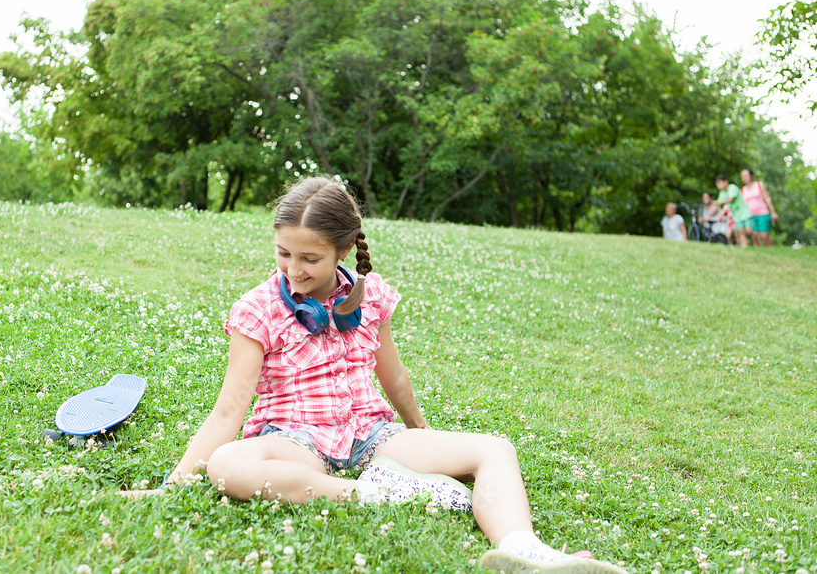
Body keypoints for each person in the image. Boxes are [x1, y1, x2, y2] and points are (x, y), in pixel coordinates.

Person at [121, 176, 627, 574]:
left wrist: (423, 436)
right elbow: (229, 411)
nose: (293, 269)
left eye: (310, 258)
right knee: (230, 466)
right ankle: (377, 492)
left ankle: (523, 548)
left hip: (370, 434)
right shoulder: (258, 309)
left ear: (343, 251)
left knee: (494, 449)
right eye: (283, 254)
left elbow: (395, 377)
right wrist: (174, 485)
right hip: (294, 440)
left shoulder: (373, 297)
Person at [740, 169, 779, 247]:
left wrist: (773, 212)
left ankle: (772, 249)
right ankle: (759, 254)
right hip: (750, 215)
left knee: (764, 235)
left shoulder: (759, 185)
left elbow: (767, 198)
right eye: (742, 177)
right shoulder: (742, 190)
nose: (744, 178)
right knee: (755, 236)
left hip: (763, 213)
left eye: (746, 176)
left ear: (751, 176)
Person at [714, 174, 752, 247]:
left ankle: (757, 244)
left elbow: (731, 199)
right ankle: (745, 248)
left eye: (719, 183)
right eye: (717, 184)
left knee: (749, 231)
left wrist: (717, 202)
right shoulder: (722, 193)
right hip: (736, 216)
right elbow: (721, 206)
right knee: (740, 232)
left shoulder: (732, 188)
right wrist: (716, 215)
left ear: (725, 182)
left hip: (745, 213)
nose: (718, 185)